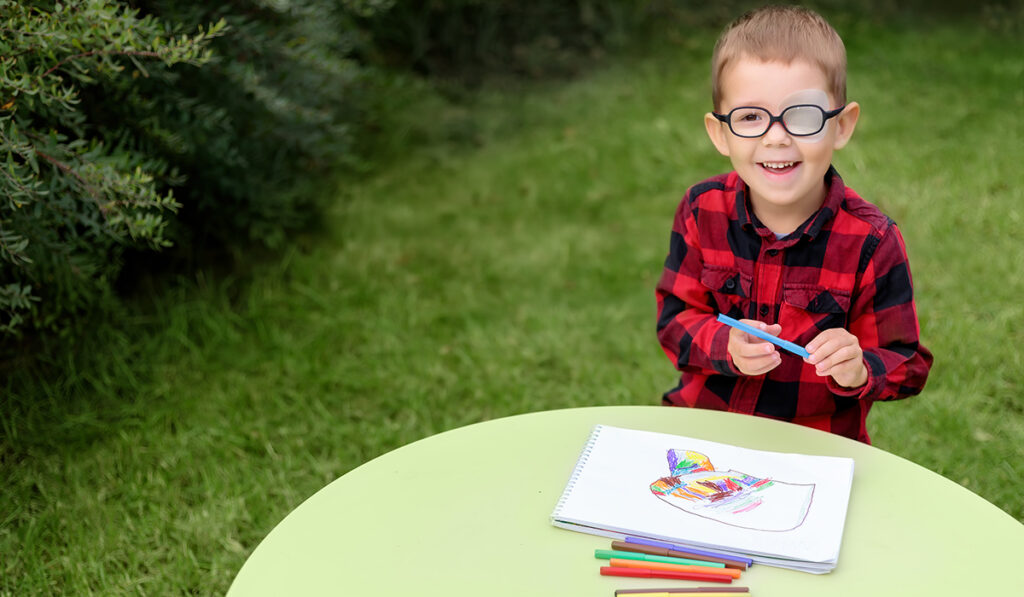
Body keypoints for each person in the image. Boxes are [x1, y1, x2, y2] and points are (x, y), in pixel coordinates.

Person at [655, 5, 933, 443]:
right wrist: (723, 345)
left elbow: (907, 363)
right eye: (750, 117)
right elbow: (673, 320)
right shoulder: (701, 209)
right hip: (703, 431)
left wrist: (860, 367)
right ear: (719, 133)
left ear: (841, 126)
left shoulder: (871, 240)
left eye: (802, 115)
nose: (776, 136)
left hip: (810, 450)